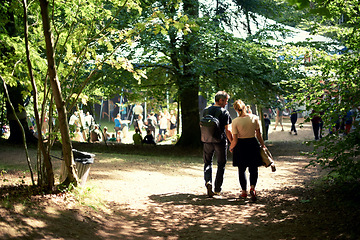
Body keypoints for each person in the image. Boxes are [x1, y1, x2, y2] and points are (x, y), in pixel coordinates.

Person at [229, 100, 267, 202]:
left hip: (241, 146)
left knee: (241, 170)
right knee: (253, 168)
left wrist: (231, 147)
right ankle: (253, 188)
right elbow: (259, 135)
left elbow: (235, 139)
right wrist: (263, 145)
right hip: (253, 144)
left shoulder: (235, 121)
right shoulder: (254, 118)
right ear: (245, 107)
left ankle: (244, 192)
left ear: (236, 109)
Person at [202, 91, 232, 197]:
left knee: (207, 162)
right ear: (221, 100)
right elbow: (227, 130)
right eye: (226, 101)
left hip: (207, 140)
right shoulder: (224, 112)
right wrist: (232, 142)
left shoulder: (205, 110)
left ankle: (208, 181)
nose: (226, 103)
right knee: (221, 164)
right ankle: (217, 189)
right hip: (220, 141)